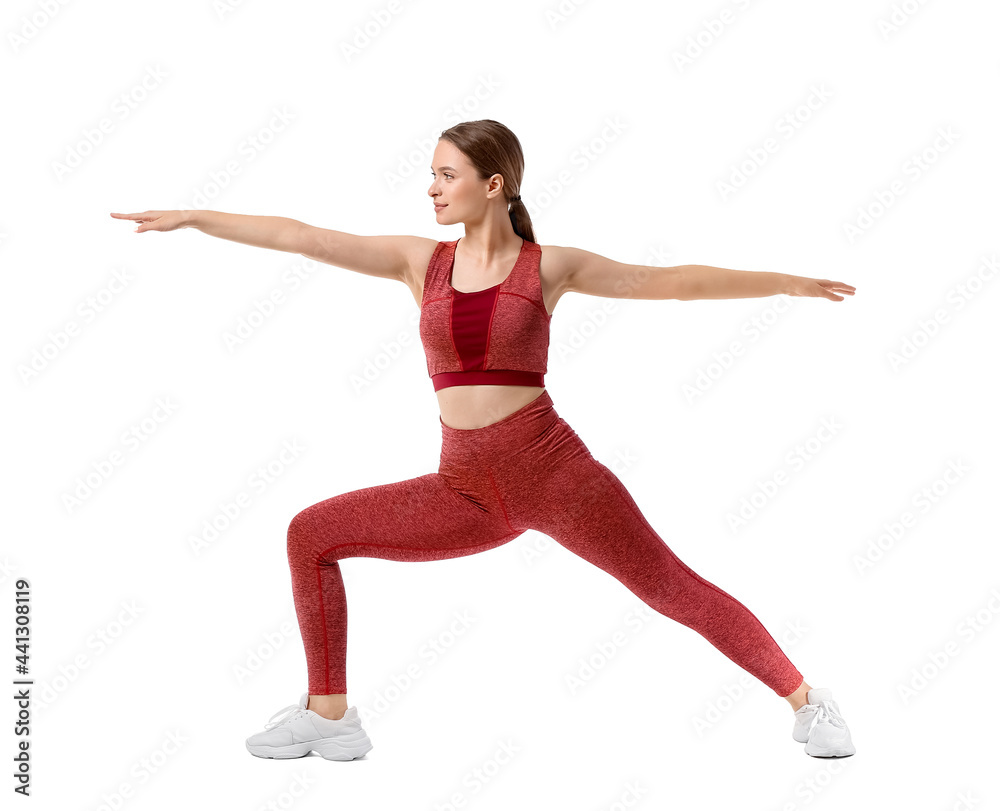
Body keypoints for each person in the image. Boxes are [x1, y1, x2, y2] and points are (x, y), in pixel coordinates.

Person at [110, 118, 857, 761]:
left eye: (445, 175)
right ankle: (330, 715)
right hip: (464, 489)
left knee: (669, 587)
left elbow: (672, 282)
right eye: (430, 176)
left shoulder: (549, 266)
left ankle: (806, 701)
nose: (431, 189)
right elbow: (303, 237)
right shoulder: (420, 262)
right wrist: (198, 216)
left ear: (493, 185)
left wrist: (784, 282)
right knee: (311, 533)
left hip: (557, 477)